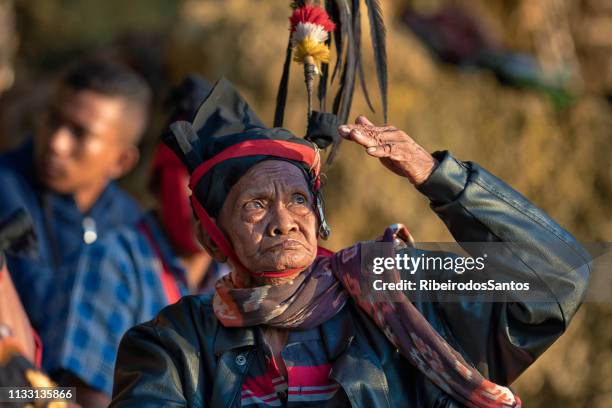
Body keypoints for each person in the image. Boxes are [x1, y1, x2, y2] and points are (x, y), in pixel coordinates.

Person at [110, 78, 590, 407]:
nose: (283, 222)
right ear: (212, 239)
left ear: (319, 219)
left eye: (298, 200)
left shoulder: (398, 289)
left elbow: (556, 280)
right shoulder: (174, 344)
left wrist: (439, 178)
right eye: (254, 206)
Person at [40, 75, 228, 407]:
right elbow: (84, 398)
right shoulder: (113, 261)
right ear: (156, 183)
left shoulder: (230, 281)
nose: (203, 199)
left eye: (221, 181)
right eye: (189, 178)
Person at [0, 59, 151, 333]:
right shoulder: (6, 186)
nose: (57, 143)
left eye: (79, 133)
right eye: (54, 119)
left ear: (122, 161)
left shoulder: (130, 223)